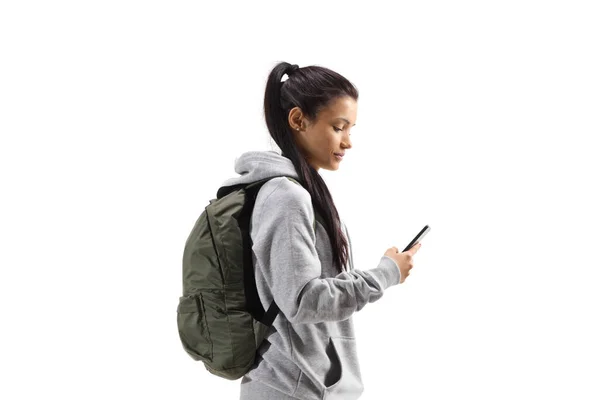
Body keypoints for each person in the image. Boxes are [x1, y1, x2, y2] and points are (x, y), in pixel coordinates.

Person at [225, 62, 422, 400]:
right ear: (298, 120)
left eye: (350, 128)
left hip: (304, 384)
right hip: (290, 387)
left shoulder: (296, 193)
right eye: (338, 126)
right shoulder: (285, 197)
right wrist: (385, 274)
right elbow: (303, 301)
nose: (347, 142)